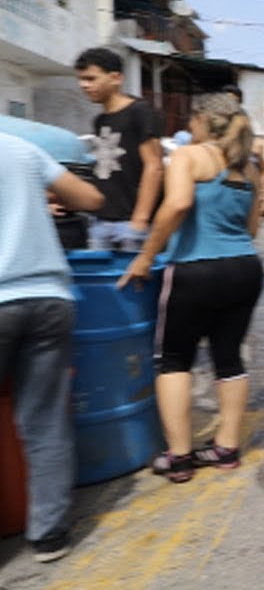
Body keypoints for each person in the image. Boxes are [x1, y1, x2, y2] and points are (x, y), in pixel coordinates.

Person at [117, 94, 264, 483]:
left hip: (196, 270)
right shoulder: (247, 167)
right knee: (229, 357)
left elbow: (178, 203)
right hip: (245, 268)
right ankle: (227, 448)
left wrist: (147, 256)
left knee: (174, 360)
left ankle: (180, 457)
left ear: (200, 120)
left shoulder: (188, 155)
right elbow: (252, 227)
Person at [0, 132, 103, 562]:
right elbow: (90, 198)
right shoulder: (20, 147)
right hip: (49, 298)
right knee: (43, 420)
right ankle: (48, 535)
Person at [75, 46, 164, 251]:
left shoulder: (140, 111)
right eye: (81, 79)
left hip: (130, 224)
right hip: (99, 222)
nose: (84, 85)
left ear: (115, 78)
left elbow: (154, 166)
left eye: (91, 79)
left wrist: (140, 220)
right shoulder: (100, 120)